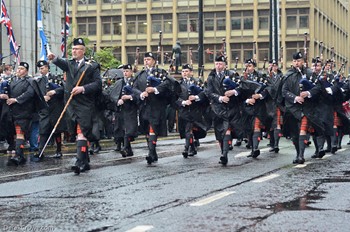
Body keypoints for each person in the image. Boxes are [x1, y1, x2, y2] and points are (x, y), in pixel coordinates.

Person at [48, 37, 102, 175]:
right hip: (71, 103)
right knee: (76, 132)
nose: (74, 51)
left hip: (85, 104)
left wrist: (83, 88)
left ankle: (79, 162)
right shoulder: (70, 64)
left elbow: (97, 84)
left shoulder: (92, 65)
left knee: (82, 132)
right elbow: (61, 63)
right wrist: (54, 58)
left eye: (77, 49)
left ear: (83, 51)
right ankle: (85, 160)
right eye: (73, 49)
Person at [133, 52, 179, 164]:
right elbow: (134, 88)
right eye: (145, 59)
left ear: (154, 61)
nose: (146, 61)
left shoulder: (161, 73)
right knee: (146, 129)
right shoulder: (140, 75)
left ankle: (151, 153)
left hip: (157, 106)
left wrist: (155, 89)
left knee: (153, 127)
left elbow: (168, 84)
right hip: (144, 106)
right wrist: (140, 94)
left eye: (148, 59)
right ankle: (153, 153)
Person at [282, 52, 325, 164]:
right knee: (294, 134)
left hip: (307, 107)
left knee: (303, 129)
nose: (297, 63)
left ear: (303, 62)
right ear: (293, 62)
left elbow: (319, 88)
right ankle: (298, 154)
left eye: (299, 61)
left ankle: (301, 156)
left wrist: (308, 93)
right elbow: (284, 91)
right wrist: (295, 98)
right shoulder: (288, 75)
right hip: (292, 108)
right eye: (295, 61)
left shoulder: (310, 74)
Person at [0, 62, 44, 165]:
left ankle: (19, 155)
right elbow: (8, 92)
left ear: (26, 71)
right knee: (15, 133)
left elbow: (29, 94)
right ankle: (20, 155)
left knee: (20, 133)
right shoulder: (12, 81)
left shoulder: (30, 81)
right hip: (12, 111)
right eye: (18, 68)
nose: (19, 70)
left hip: (24, 111)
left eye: (22, 69)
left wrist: (16, 100)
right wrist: (5, 96)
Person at [205, 55, 244, 165]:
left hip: (231, 107)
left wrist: (233, 92)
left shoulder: (232, 75)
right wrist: (220, 98)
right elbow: (209, 92)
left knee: (226, 129)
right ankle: (223, 151)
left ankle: (224, 155)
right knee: (219, 132)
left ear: (225, 65)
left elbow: (241, 87)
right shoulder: (211, 77)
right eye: (216, 63)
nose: (218, 66)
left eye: (220, 64)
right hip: (218, 108)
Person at [32, 60, 66, 161]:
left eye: (42, 68)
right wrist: (43, 98)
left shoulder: (55, 78)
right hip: (44, 108)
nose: (41, 70)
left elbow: (64, 89)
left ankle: (59, 150)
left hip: (55, 107)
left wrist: (54, 91)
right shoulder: (38, 81)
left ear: (47, 67)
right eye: (39, 69)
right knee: (43, 129)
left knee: (56, 130)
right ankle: (40, 150)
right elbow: (36, 94)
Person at [176, 64, 208, 158]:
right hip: (184, 111)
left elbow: (205, 93)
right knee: (187, 130)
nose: (184, 73)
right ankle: (190, 147)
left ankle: (189, 147)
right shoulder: (179, 84)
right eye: (183, 71)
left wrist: (196, 97)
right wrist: (183, 102)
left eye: (186, 71)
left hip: (195, 110)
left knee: (191, 130)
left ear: (191, 72)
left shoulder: (197, 82)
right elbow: (175, 97)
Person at [109, 64, 140, 157]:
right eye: (124, 71)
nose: (125, 73)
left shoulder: (135, 82)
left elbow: (139, 94)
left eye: (127, 71)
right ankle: (127, 148)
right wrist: (117, 100)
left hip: (131, 109)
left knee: (129, 130)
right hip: (121, 109)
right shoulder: (119, 82)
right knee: (121, 129)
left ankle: (126, 147)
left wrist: (130, 97)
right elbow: (113, 94)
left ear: (131, 72)